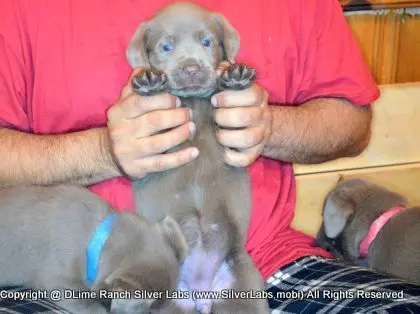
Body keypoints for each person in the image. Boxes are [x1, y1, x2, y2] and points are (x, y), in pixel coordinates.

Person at [2, 0, 419, 313]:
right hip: (78, 277)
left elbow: (352, 121)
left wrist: (269, 126)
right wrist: (100, 151)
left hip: (259, 262)